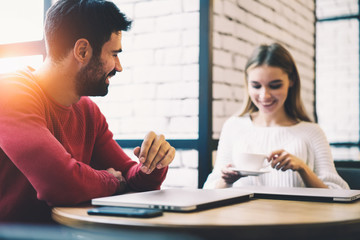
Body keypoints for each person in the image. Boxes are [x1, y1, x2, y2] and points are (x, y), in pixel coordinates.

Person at [0, 0, 175, 222]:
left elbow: (130, 177)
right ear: (82, 51)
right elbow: (60, 184)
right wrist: (113, 181)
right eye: (114, 54)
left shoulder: (88, 111)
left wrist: (152, 164)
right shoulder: (9, 92)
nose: (119, 66)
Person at [203, 43, 349, 190]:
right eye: (256, 86)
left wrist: (303, 169)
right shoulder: (234, 126)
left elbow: (340, 192)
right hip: (242, 213)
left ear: (291, 81)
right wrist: (227, 180)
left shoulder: (312, 132)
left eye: (275, 85)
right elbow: (209, 190)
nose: (264, 95)